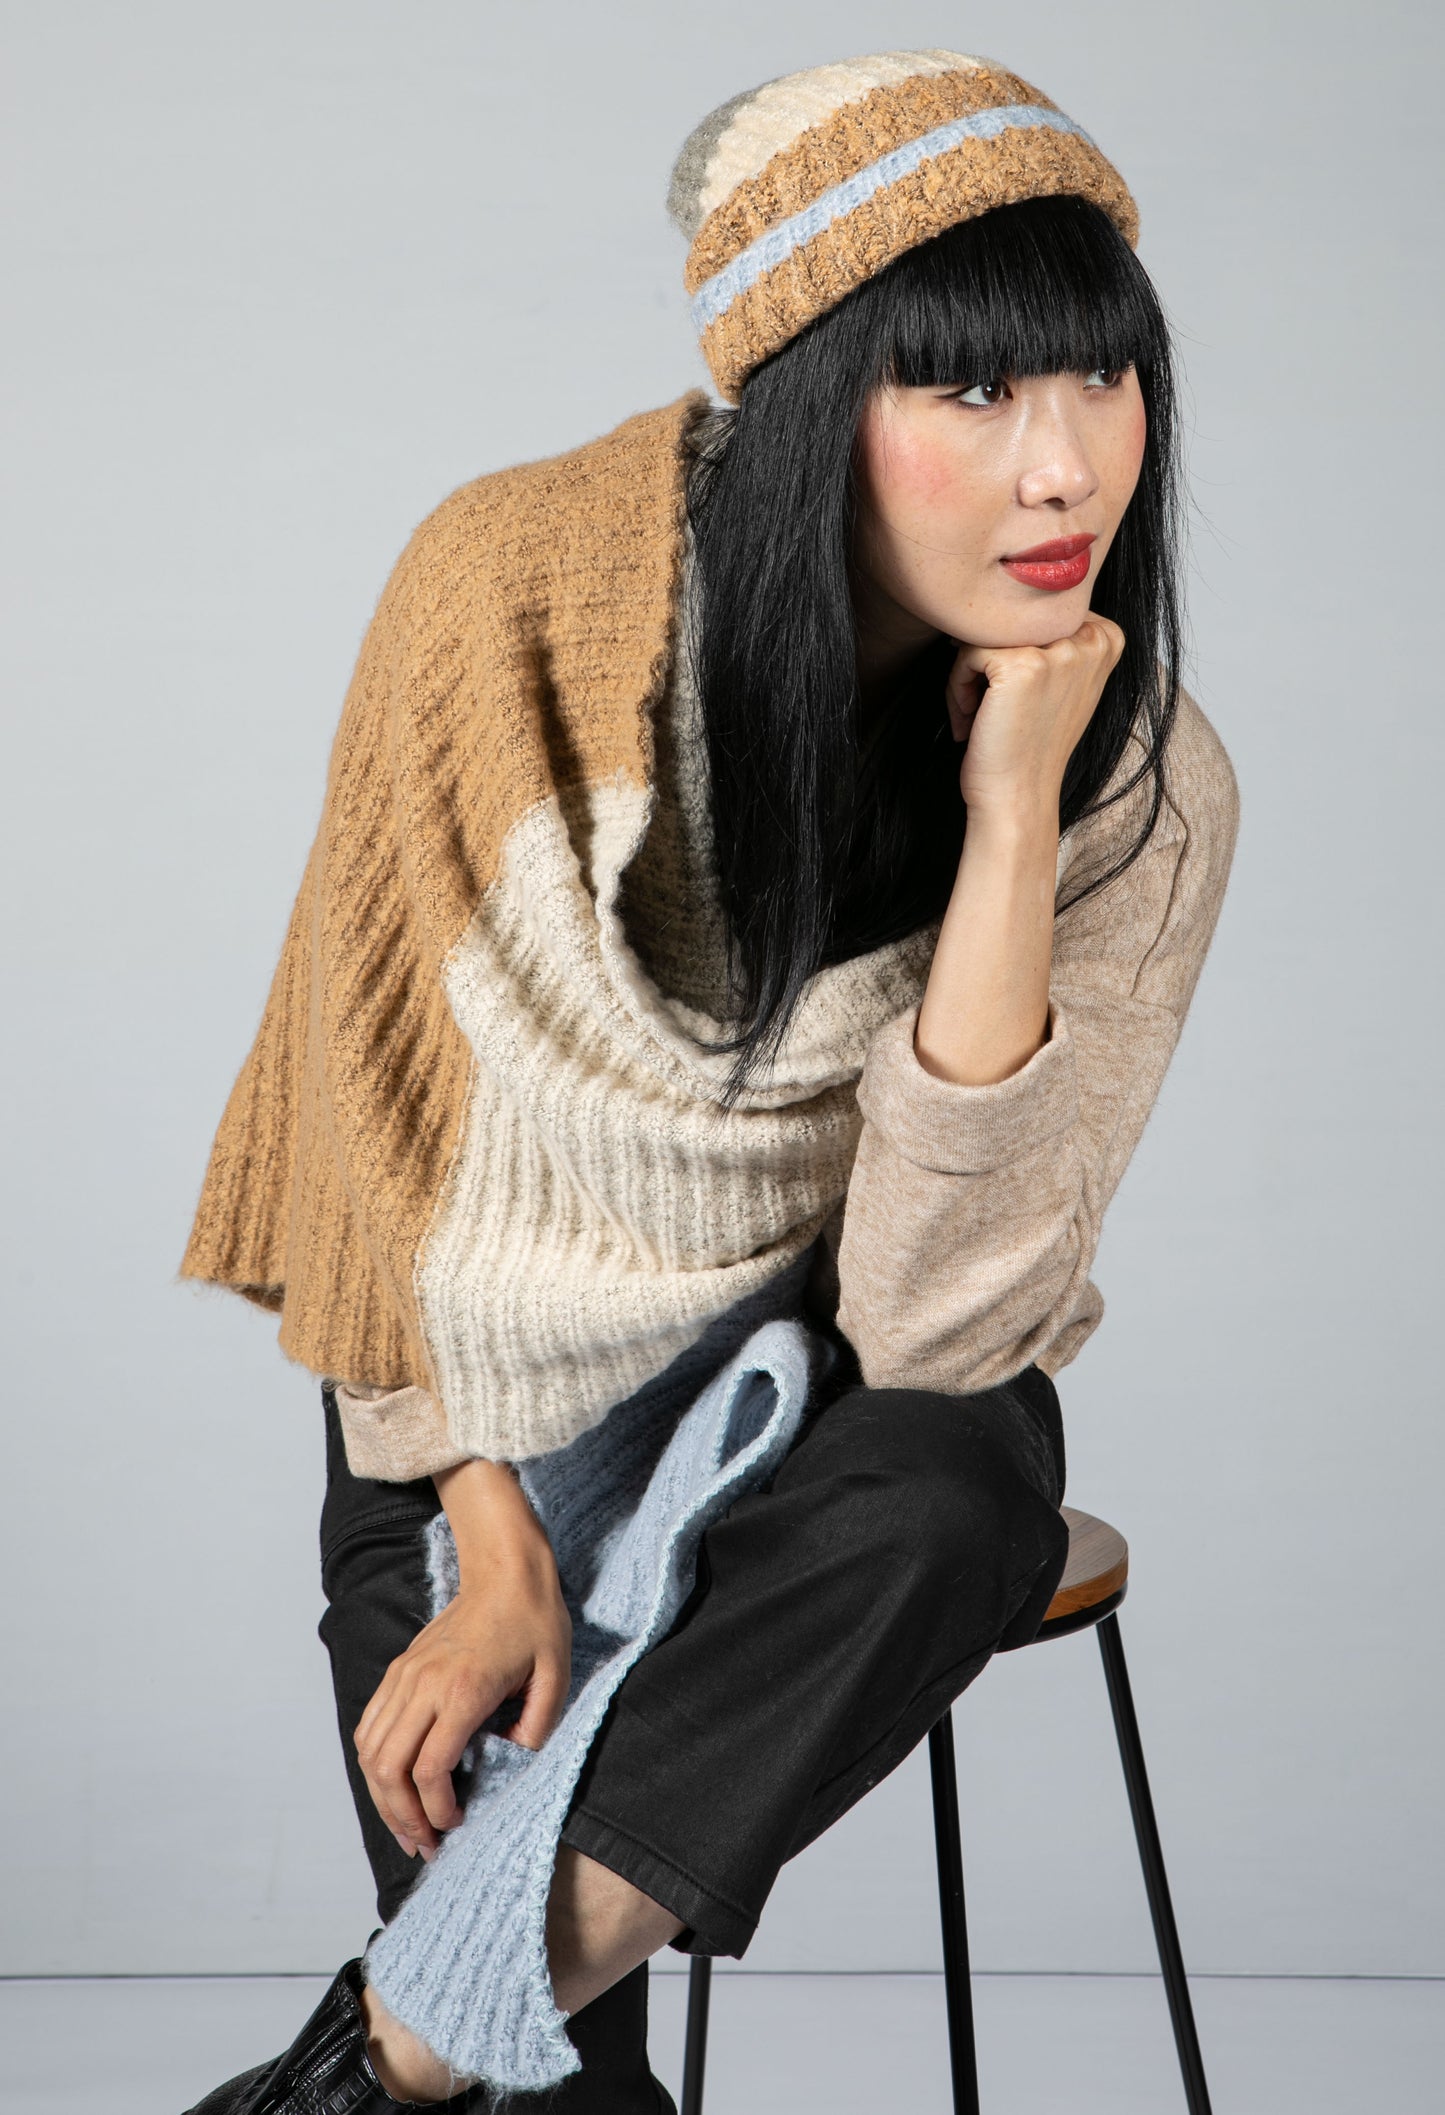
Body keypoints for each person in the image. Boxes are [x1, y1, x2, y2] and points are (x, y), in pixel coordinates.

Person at [180, 48, 1239, 2115]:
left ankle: (384, 2052)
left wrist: (1012, 825)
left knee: (957, 1485)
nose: (1062, 469)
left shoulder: (1140, 786)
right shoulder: (504, 594)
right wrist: (491, 1541)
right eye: (969, 388)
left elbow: (935, 1331)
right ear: (814, 396)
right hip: (467, 1398)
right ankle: (442, 2048)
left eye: (1101, 378)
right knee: (557, 2097)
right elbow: (363, 1126)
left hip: (824, 1412)